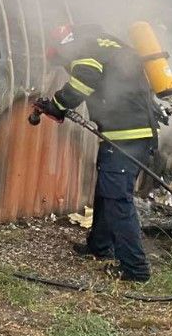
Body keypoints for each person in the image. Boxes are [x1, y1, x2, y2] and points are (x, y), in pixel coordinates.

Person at [37, 23, 159, 283]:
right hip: (125, 134)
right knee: (107, 191)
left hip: (127, 136)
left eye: (61, 59)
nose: (65, 64)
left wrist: (57, 105)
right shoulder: (105, 42)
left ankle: (135, 270)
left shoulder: (85, 49)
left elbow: (84, 81)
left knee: (117, 198)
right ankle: (99, 246)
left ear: (64, 44)